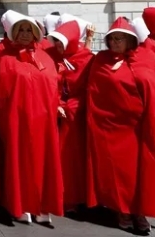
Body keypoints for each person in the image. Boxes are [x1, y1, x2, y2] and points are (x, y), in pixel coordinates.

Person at [84, 17, 155, 234]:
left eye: (120, 39)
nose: (115, 42)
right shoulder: (101, 60)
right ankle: (123, 210)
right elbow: (95, 92)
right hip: (112, 127)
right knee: (119, 173)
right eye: (112, 38)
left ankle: (140, 211)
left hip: (138, 128)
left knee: (141, 173)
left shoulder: (145, 59)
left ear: (131, 40)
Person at [0, 10, 62, 225]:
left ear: (35, 33)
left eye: (28, 30)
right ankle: (21, 205)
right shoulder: (5, 59)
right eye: (20, 29)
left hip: (43, 120)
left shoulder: (45, 58)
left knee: (44, 162)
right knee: (19, 162)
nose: (24, 33)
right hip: (17, 120)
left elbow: (53, 87)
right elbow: (2, 93)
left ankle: (42, 205)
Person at [45, 18, 95, 211]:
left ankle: (80, 195)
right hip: (56, 107)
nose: (57, 45)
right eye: (56, 41)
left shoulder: (85, 58)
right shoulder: (49, 55)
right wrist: (56, 103)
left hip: (76, 111)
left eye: (62, 42)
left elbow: (88, 86)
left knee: (76, 155)